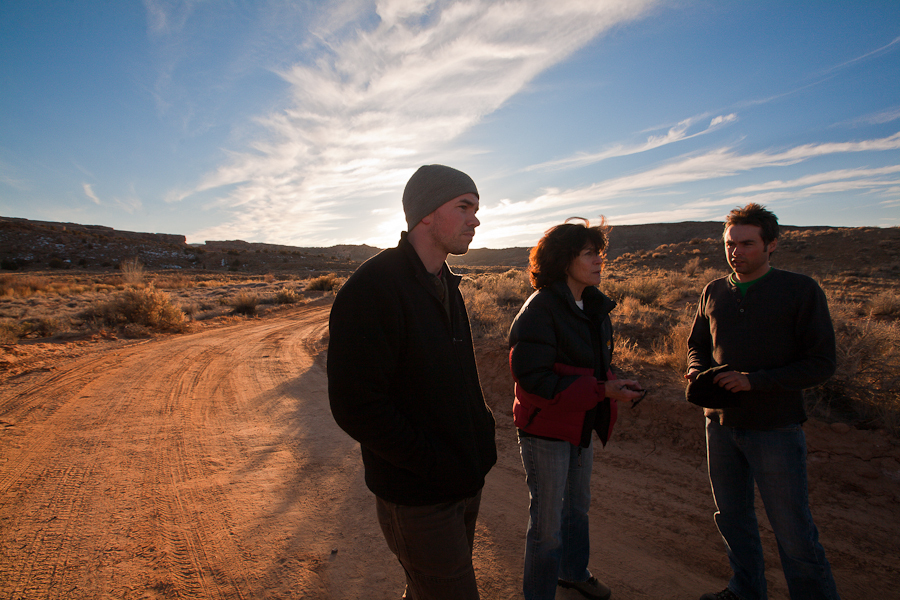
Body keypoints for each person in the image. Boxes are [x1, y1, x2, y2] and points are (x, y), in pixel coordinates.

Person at [327, 164, 497, 600]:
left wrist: (479, 437)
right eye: (464, 207)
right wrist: (433, 462)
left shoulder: (446, 284)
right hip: (419, 494)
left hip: (463, 480)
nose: (475, 219)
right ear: (425, 213)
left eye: (476, 208)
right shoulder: (374, 289)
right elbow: (356, 406)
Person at [685, 203, 841, 600]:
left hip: (775, 428)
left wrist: (756, 382)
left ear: (772, 245)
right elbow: (697, 346)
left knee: (792, 529)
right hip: (719, 426)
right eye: (730, 244)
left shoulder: (800, 290)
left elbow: (821, 363)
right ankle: (745, 591)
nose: (736, 252)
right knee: (733, 520)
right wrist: (697, 370)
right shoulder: (713, 290)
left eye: (747, 243)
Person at [508, 218, 644, 600]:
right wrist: (602, 389)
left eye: (599, 253)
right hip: (545, 430)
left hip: (581, 422)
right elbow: (533, 380)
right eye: (589, 254)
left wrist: (614, 382)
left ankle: (572, 573)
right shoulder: (540, 310)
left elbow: (590, 365)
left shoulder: (593, 306)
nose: (599, 261)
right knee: (547, 525)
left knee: (576, 510)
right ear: (563, 259)